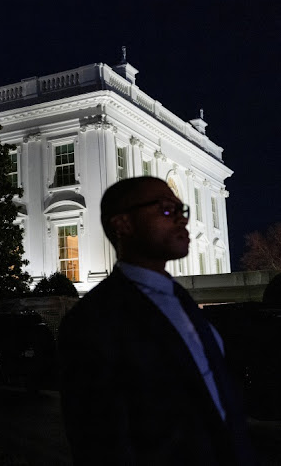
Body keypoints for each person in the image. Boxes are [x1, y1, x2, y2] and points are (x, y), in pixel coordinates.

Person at [58, 176, 256, 465]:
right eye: (165, 209)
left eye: (181, 209)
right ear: (123, 224)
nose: (181, 219)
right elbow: (102, 446)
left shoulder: (180, 300)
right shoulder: (92, 321)